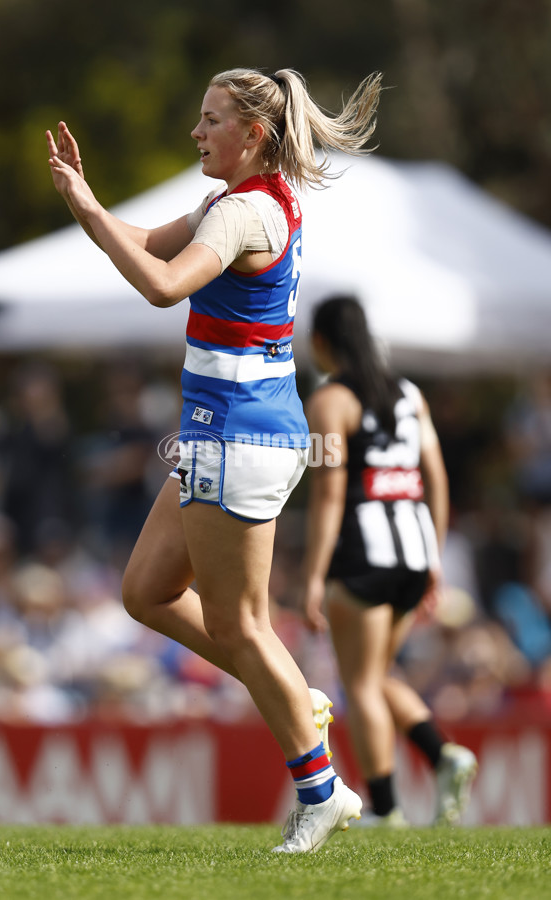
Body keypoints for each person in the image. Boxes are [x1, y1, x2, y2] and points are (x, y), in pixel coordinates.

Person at [47, 67, 382, 852]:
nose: (197, 133)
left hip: (241, 435)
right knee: (146, 591)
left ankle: (320, 787)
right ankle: (297, 701)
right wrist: (82, 203)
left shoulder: (245, 213)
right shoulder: (232, 205)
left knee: (238, 623)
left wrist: (93, 209)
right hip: (222, 433)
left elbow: (163, 286)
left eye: (210, 120)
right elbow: (148, 245)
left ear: (252, 134)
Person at [302, 295, 478, 826]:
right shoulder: (410, 393)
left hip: (361, 553)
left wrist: (312, 574)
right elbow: (436, 476)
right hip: (415, 552)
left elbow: (328, 492)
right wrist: (435, 557)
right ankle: (443, 754)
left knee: (359, 684)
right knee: (375, 675)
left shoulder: (328, 400)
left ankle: (387, 808)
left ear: (321, 342)